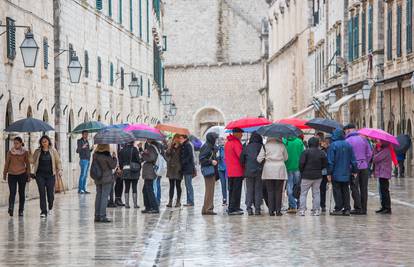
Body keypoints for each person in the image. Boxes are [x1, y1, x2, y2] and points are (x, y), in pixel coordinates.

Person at [344, 123, 373, 215]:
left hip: (353, 168)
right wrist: (365, 162)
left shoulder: (347, 141)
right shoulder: (363, 139)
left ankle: (358, 207)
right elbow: (370, 153)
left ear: (348, 130)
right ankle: (364, 209)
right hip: (364, 166)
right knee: (364, 188)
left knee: (354, 187)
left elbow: (346, 156)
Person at [327, 129, 357, 216]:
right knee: (345, 190)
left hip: (336, 172)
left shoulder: (333, 145)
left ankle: (338, 208)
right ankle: (347, 208)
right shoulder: (348, 145)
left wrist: (329, 172)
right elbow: (353, 160)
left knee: (337, 190)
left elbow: (330, 161)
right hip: (346, 172)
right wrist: (355, 170)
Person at [32, 135, 62, 218]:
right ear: (41, 143)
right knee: (42, 193)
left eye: (45, 141)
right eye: (42, 142)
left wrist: (59, 170)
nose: (44, 143)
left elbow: (58, 161)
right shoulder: (37, 151)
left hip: (50, 175)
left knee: (50, 194)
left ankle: (50, 205)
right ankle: (43, 211)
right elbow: (32, 160)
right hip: (40, 175)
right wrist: (29, 154)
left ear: (48, 142)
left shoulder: (53, 151)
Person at [257, 137, 288, 216]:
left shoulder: (265, 146)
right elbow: (286, 158)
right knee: (279, 191)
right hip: (280, 169)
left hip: (268, 169)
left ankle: (271, 211)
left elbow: (259, 159)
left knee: (270, 191)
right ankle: (278, 211)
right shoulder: (282, 145)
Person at [298, 137, 328, 216]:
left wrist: (302, 171)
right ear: (318, 143)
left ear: (309, 143)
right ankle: (316, 210)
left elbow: (301, 164)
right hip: (318, 176)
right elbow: (325, 164)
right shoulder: (321, 153)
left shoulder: (305, 152)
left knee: (303, 193)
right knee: (316, 193)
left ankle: (302, 210)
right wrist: (319, 169)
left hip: (306, 175)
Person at [3, 137, 31, 217]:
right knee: (12, 192)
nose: (15, 144)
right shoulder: (10, 152)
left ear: (21, 143)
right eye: (14, 143)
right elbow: (7, 163)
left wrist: (28, 175)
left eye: (17, 143)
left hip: (22, 174)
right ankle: (11, 208)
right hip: (12, 175)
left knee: (21, 193)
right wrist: (4, 174)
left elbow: (28, 164)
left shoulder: (25, 152)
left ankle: (21, 210)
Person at [240, 132, 264, 215]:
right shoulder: (261, 146)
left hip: (248, 171)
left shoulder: (247, 147)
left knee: (249, 189)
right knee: (258, 190)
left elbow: (241, 160)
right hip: (259, 171)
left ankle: (249, 208)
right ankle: (257, 209)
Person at [92, 144, 117, 222]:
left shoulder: (95, 155)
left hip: (98, 178)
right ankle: (102, 216)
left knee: (98, 196)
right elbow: (113, 166)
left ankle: (97, 216)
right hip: (106, 179)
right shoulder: (107, 156)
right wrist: (114, 157)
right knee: (104, 197)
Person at [224, 128, 245, 215]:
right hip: (237, 170)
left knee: (232, 189)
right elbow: (240, 156)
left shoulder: (228, 142)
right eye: (240, 133)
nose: (242, 135)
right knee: (236, 190)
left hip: (230, 170)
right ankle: (233, 208)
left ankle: (233, 206)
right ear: (236, 133)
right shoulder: (236, 143)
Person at [199, 132, 219, 215]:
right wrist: (211, 161)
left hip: (211, 170)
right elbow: (202, 159)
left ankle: (205, 208)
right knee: (210, 190)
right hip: (209, 170)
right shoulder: (207, 146)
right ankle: (208, 209)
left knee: (209, 190)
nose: (216, 140)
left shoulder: (209, 146)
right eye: (215, 138)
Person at [373, 140, 395, 214]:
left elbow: (375, 158)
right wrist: (376, 148)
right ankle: (383, 207)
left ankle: (387, 208)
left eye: (379, 141)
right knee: (382, 191)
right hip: (382, 172)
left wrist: (376, 150)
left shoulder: (385, 150)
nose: (377, 142)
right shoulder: (383, 149)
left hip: (384, 173)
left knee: (384, 191)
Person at [284, 136, 304, 213]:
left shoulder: (284, 141)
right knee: (297, 187)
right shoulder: (299, 141)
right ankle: (298, 204)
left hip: (287, 167)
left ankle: (292, 205)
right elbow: (303, 154)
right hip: (297, 167)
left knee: (289, 186)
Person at [119, 141, 141, 209]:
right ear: (133, 142)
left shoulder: (122, 150)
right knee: (134, 187)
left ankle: (127, 204)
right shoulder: (134, 149)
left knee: (127, 187)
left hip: (125, 170)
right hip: (134, 170)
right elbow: (138, 160)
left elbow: (120, 162)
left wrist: (122, 168)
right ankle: (135, 204)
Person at [141, 140, 159, 213]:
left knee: (149, 190)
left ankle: (154, 207)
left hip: (150, 172)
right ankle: (148, 207)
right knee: (145, 190)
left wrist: (143, 154)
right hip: (149, 172)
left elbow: (151, 158)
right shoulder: (151, 147)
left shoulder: (151, 147)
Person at [165, 135, 183, 208]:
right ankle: (170, 201)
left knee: (178, 185)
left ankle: (178, 201)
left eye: (177, 139)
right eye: (174, 139)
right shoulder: (171, 147)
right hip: (171, 168)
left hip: (178, 169)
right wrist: (170, 147)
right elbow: (167, 154)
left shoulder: (182, 147)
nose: (175, 140)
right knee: (171, 185)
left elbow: (182, 158)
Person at [179, 135, 196, 207]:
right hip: (186, 168)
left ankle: (191, 201)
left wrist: (183, 162)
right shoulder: (184, 145)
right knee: (187, 185)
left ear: (185, 138)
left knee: (189, 185)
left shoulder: (187, 145)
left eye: (181, 138)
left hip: (188, 168)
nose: (180, 139)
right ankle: (189, 201)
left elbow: (189, 157)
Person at [152, 141, 166, 206]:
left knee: (156, 184)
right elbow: (164, 156)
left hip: (155, 167)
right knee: (156, 184)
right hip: (158, 167)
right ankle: (157, 200)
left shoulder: (154, 145)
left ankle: (156, 200)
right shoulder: (160, 145)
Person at [319, 137, 330, 212]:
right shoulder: (326, 150)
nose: (321, 144)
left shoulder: (323, 151)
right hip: (325, 172)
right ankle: (322, 205)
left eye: (323, 143)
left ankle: (322, 205)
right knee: (322, 189)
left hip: (323, 172)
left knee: (321, 189)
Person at [217, 137, 228, 206]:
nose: (222, 142)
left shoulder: (227, 148)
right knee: (223, 184)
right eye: (221, 141)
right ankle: (224, 199)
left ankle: (229, 198)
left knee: (228, 184)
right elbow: (217, 158)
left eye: (224, 140)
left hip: (227, 168)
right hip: (220, 169)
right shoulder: (218, 149)